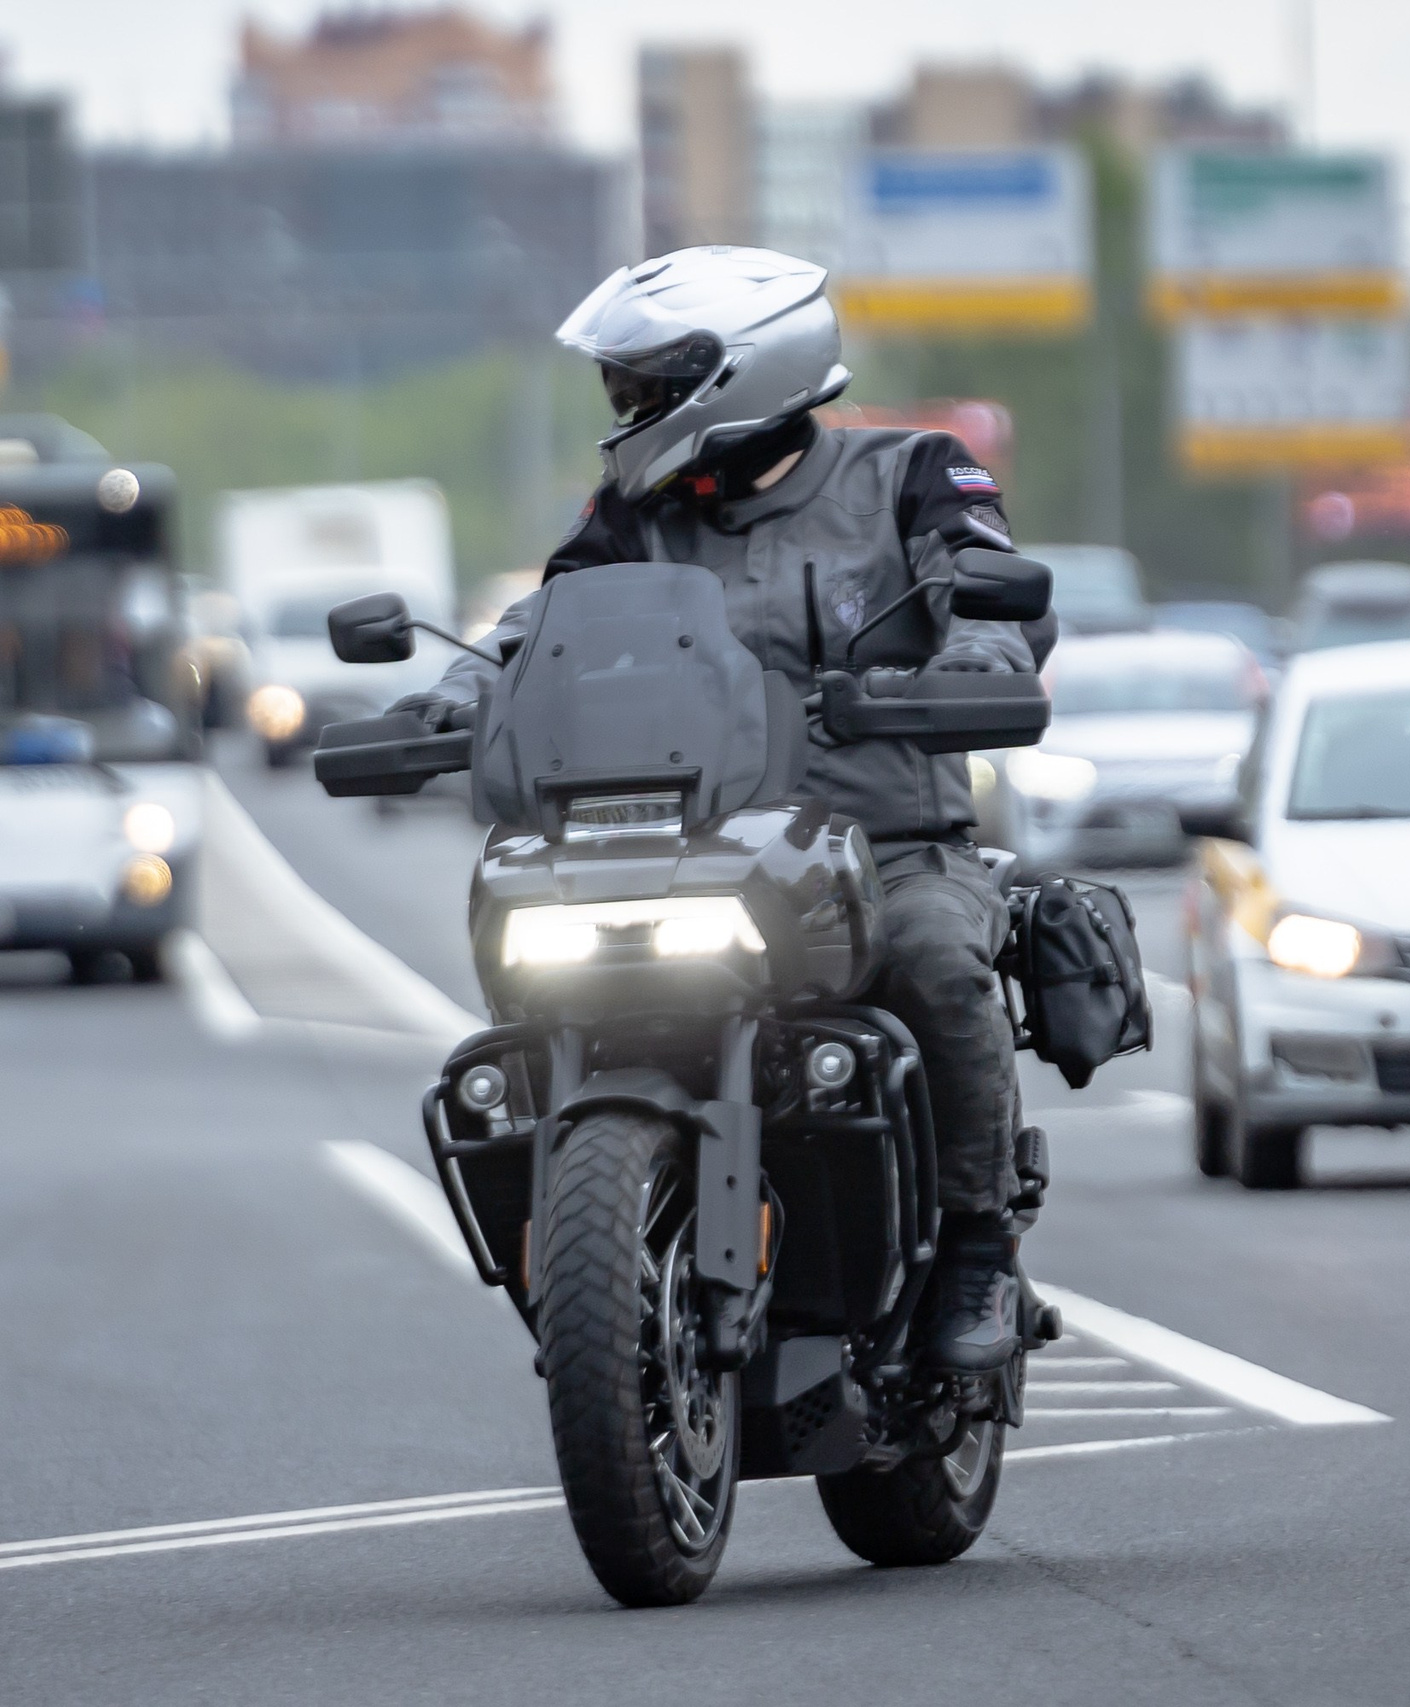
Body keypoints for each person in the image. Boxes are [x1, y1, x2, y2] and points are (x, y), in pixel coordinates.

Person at [394, 246, 1044, 1371]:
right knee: (538, 978)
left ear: (745, 371)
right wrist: (443, 702)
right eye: (625, 383)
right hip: (680, 848)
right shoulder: (631, 517)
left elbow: (985, 581)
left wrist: (980, 655)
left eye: (649, 382)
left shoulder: (914, 473)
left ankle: (980, 1253)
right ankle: (595, 1253)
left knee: (940, 956)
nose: (629, 406)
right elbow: (529, 636)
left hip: (884, 849)